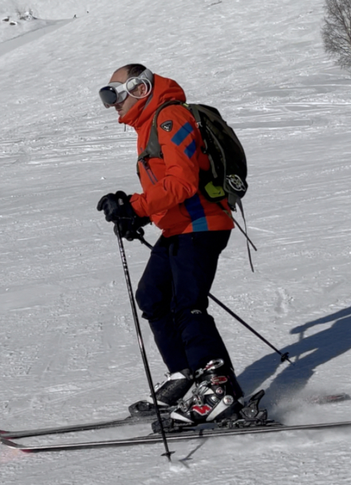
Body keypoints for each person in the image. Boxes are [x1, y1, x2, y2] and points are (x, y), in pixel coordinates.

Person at [96, 63, 243, 425]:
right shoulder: (149, 126)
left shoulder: (169, 118)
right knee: (152, 296)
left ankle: (219, 390)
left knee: (186, 305)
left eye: (113, 94)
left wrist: (136, 205)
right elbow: (169, 186)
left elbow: (183, 184)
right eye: (106, 96)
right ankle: (185, 375)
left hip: (202, 224)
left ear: (140, 89)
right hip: (181, 225)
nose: (110, 102)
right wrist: (137, 213)